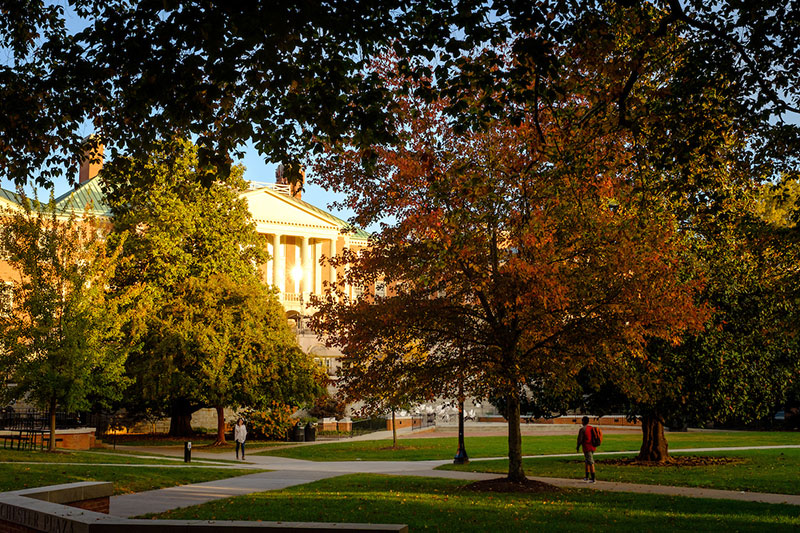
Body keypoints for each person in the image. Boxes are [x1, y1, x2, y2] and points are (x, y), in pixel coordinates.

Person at [576, 416, 596, 483]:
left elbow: (580, 440)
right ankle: (587, 477)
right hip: (593, 447)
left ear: (583, 421)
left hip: (587, 447)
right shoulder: (591, 428)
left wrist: (577, 447)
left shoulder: (582, 429)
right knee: (587, 461)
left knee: (590, 462)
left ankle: (593, 479)